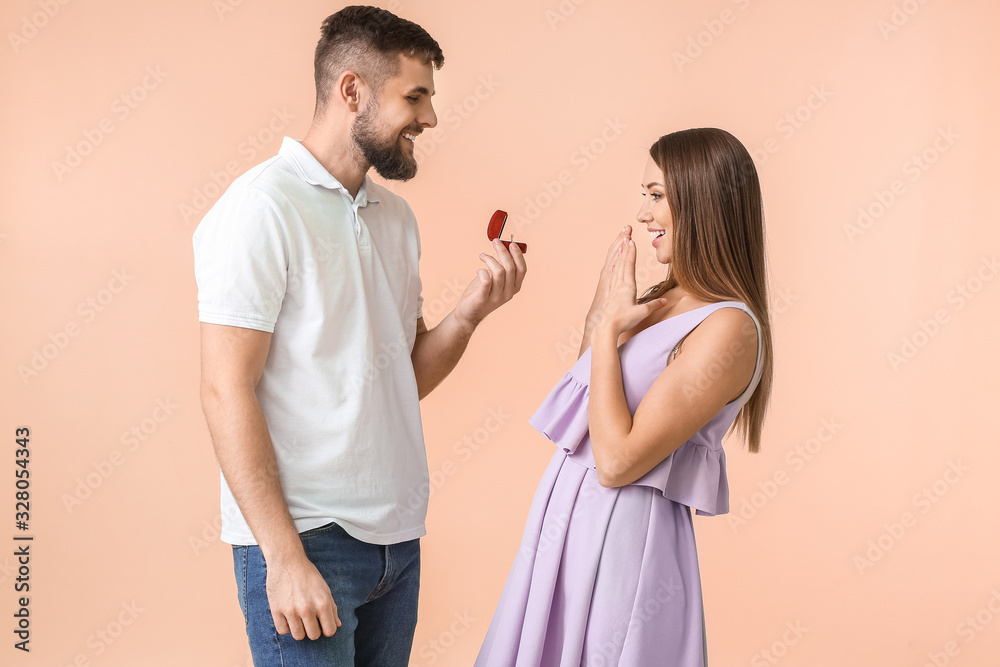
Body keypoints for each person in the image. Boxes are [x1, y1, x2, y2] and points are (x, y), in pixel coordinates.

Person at [192, 6, 527, 665]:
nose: (429, 118)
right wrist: (281, 556)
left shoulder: (395, 218)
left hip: (396, 546)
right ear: (352, 90)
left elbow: (401, 373)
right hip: (307, 540)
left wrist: (469, 313)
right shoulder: (261, 208)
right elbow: (223, 387)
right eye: (415, 95)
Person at [475, 127, 772, 666]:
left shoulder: (729, 327)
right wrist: (601, 322)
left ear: (704, 203)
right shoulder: (662, 298)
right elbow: (588, 402)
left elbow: (616, 461)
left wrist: (607, 328)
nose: (643, 213)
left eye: (657, 195)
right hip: (564, 527)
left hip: (624, 544)